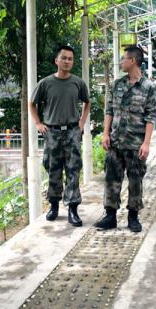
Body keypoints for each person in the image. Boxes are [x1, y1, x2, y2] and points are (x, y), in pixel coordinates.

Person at [94, 46, 156, 232]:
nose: (121, 62)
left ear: (132, 61)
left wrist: (146, 143)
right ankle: (110, 216)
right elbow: (110, 110)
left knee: (135, 181)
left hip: (136, 143)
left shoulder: (149, 87)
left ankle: (133, 217)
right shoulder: (117, 84)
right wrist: (106, 133)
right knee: (111, 179)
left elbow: (150, 117)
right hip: (116, 141)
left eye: (123, 59)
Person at [28, 46, 90, 227]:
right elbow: (31, 103)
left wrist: (82, 122)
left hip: (72, 131)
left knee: (73, 170)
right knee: (53, 169)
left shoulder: (78, 83)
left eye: (70, 59)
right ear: (57, 61)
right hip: (52, 132)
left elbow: (87, 102)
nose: (67, 61)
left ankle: (73, 209)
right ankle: (54, 206)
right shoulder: (45, 83)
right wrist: (38, 123)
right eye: (64, 58)